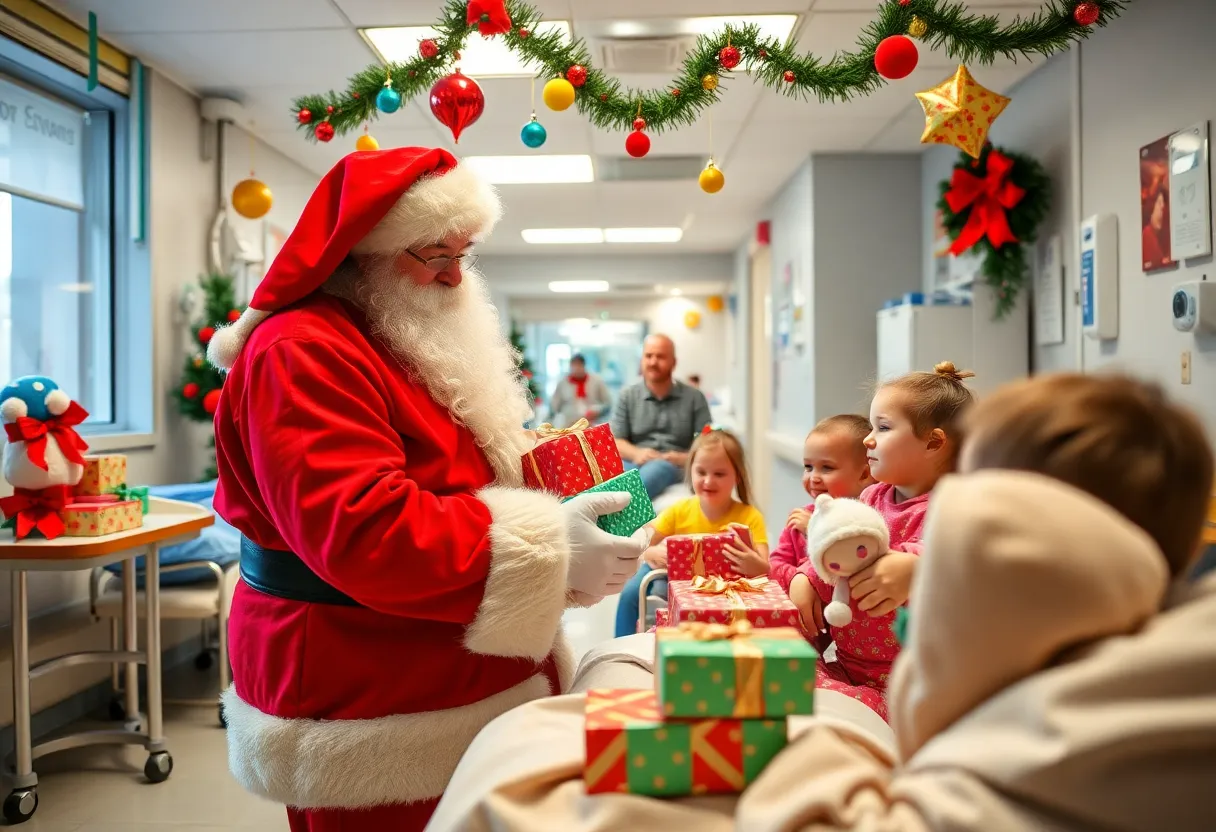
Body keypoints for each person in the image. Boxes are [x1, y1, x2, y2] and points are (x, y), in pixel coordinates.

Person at [425, 373, 1216, 832]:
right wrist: (795, 577)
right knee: (635, 682)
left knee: (560, 729)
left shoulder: (972, 551)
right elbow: (800, 560)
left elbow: (928, 708)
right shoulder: (866, 510)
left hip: (859, 696)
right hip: (837, 670)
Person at [205, 147, 647, 832]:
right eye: (432, 255)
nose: (451, 279)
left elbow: (441, 460)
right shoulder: (301, 351)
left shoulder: (396, 334)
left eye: (462, 256)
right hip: (370, 695)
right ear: (362, 257)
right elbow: (367, 529)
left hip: (442, 671)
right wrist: (549, 547)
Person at [788, 361, 974, 720]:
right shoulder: (871, 497)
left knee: (825, 714)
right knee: (780, 677)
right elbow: (835, 543)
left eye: (883, 428)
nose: (867, 439)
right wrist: (806, 576)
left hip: (910, 686)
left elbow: (962, 565)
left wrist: (917, 568)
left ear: (933, 442)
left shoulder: (954, 505)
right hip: (847, 666)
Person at [613, 428, 769, 637]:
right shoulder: (680, 510)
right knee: (632, 592)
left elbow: (765, 568)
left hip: (726, 593)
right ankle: (623, 648)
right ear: (691, 472)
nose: (708, 481)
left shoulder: (750, 517)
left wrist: (755, 565)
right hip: (673, 581)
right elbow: (639, 539)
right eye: (701, 472)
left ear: (737, 477)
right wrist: (650, 553)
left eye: (719, 474)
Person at [768, 414, 873, 592]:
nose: (813, 477)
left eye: (827, 468)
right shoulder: (799, 518)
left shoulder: (870, 521)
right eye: (808, 467)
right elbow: (775, 566)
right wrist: (798, 581)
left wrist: (815, 529)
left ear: (864, 475)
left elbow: (855, 568)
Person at [611, 334, 712, 500]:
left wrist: (683, 458)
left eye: (660, 357)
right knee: (610, 472)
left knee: (657, 468)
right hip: (634, 461)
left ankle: (619, 518)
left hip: (672, 465)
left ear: (674, 362)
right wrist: (637, 453)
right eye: (648, 356)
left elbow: (707, 443)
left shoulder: (694, 398)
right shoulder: (627, 395)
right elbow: (616, 441)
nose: (653, 362)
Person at [547, 354, 611, 428]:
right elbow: (554, 407)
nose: (576, 368)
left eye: (579, 365)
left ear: (583, 366)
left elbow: (608, 404)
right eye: (574, 365)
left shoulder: (597, 381)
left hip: (592, 424)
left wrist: (598, 411)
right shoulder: (563, 383)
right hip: (569, 425)